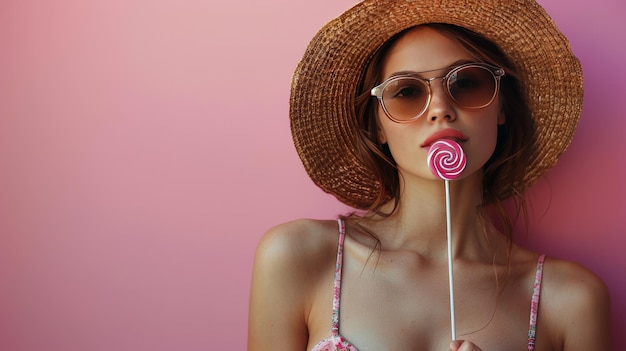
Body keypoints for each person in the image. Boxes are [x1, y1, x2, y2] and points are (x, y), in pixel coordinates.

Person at [248, 0, 611, 350]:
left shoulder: (568, 300)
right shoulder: (298, 258)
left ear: (502, 107)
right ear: (378, 127)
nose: (440, 108)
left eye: (467, 82)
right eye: (406, 91)